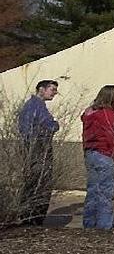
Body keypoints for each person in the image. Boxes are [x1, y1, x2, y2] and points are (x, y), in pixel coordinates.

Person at [81, 85, 114, 230]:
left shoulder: (90, 113)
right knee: (107, 192)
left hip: (91, 154)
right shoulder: (108, 114)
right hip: (105, 154)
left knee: (93, 191)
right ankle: (103, 226)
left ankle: (89, 224)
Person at [17, 79, 60, 225]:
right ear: (41, 89)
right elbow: (49, 126)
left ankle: (30, 217)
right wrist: (53, 125)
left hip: (37, 147)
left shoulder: (35, 106)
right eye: (52, 89)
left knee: (36, 182)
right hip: (38, 148)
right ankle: (32, 218)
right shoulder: (35, 107)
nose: (54, 93)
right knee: (39, 183)